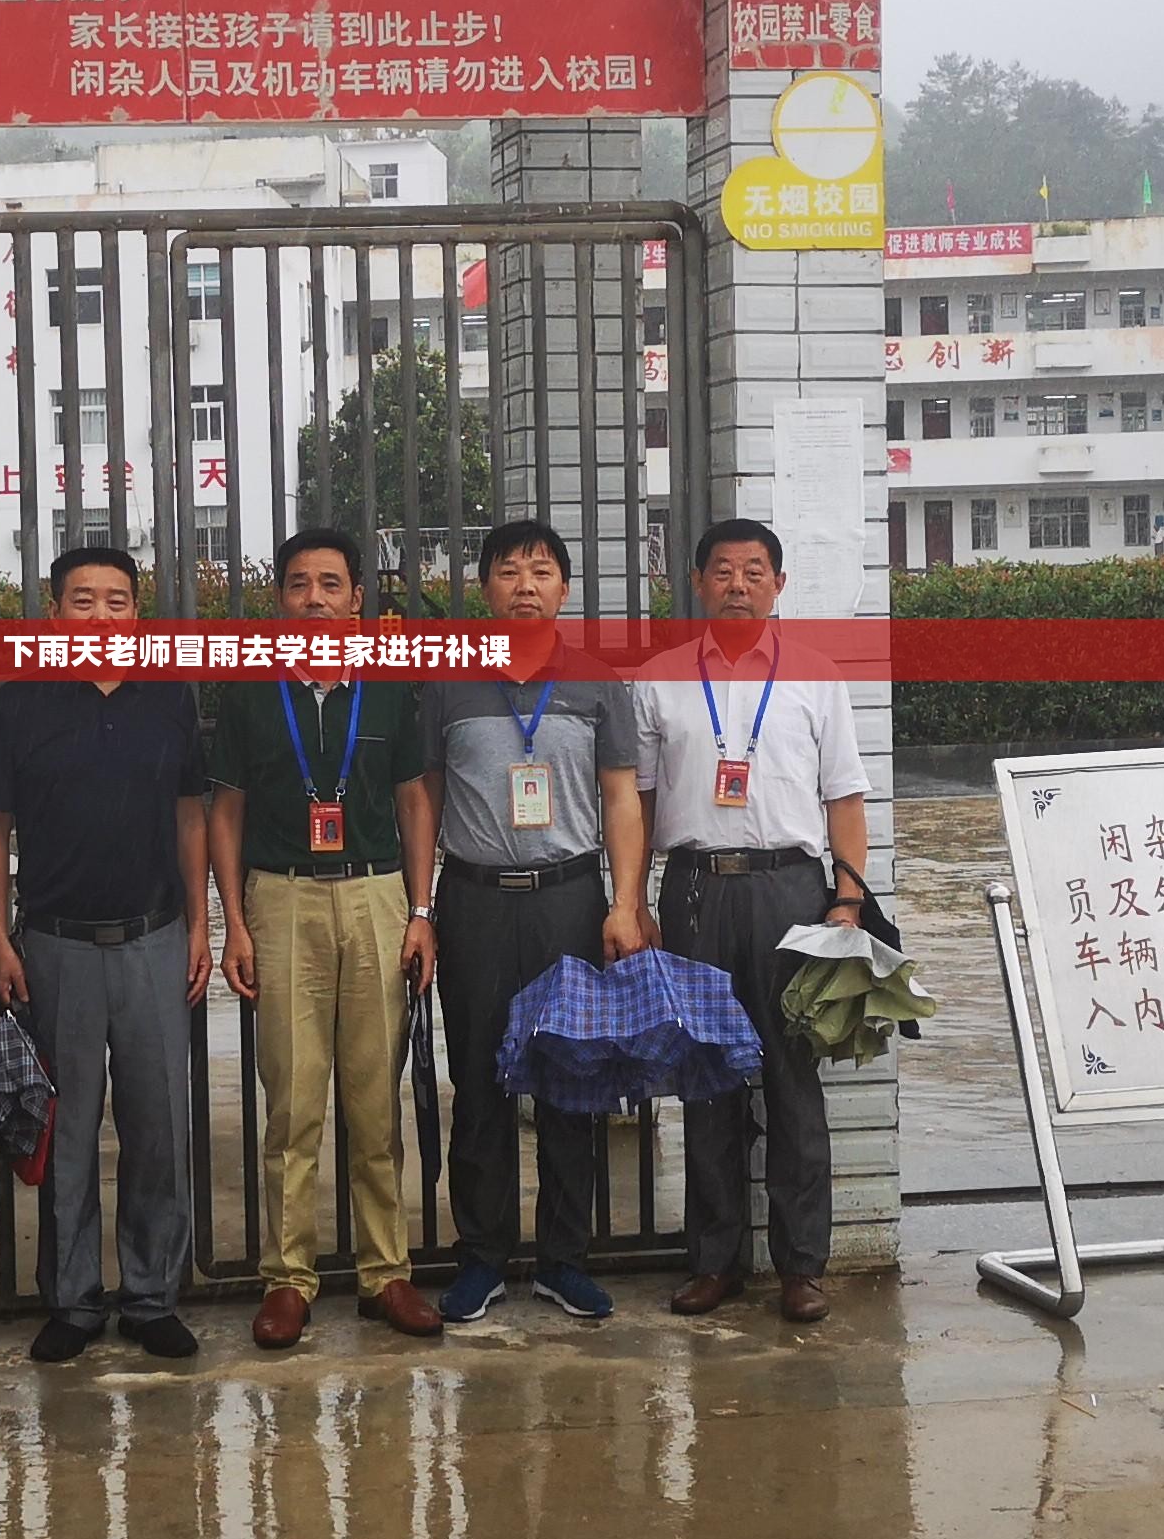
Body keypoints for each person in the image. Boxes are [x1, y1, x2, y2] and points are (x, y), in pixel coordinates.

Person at [204, 528, 446, 1349]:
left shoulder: (387, 690)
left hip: (377, 898)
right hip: (283, 902)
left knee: (375, 1104)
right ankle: (288, 1278)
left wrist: (422, 910)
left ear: (356, 598)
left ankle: (387, 1273)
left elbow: (415, 800)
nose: (315, 599)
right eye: (300, 584)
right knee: (294, 1103)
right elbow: (225, 809)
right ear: (280, 599)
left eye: (331, 585)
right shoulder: (245, 692)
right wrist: (233, 920)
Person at [632, 516, 876, 1323]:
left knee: (790, 1079)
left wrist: (847, 898)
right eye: (724, 571)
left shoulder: (815, 676)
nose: (739, 584)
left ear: (779, 583)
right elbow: (633, 801)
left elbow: (843, 796)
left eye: (755, 571)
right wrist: (630, 899)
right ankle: (715, 1260)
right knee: (706, 1079)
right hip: (695, 890)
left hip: (789, 891)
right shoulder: (659, 678)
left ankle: (802, 1265)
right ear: (697, 582)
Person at [0, 543, 209, 1364]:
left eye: (117, 601)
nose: (101, 616)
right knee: (65, 1131)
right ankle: (72, 1300)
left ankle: (151, 1295)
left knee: (158, 1125)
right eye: (83, 601)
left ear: (136, 614)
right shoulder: (19, 707)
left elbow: (190, 815)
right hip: (55, 946)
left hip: (153, 937)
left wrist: (201, 925)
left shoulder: (168, 699)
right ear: (53, 613)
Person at [414, 518, 649, 1328]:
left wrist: (625, 903)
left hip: (569, 898)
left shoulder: (594, 682)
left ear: (564, 589)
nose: (525, 585)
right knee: (477, 1079)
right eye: (509, 571)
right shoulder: (448, 680)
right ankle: (480, 1258)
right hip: (475, 900)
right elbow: (424, 799)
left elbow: (621, 797)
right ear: (484, 587)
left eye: (541, 571)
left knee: (570, 1078)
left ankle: (563, 1260)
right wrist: (422, 907)